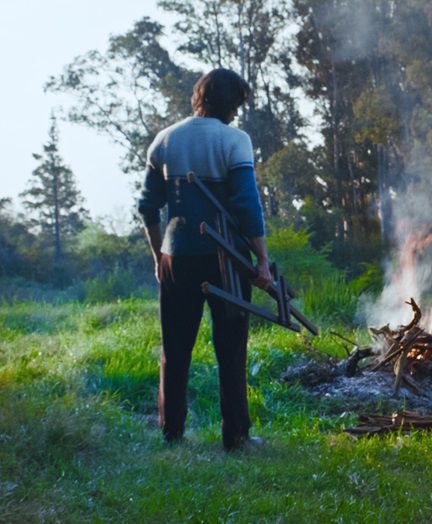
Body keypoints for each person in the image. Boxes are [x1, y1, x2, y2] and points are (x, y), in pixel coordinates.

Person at [137, 68, 273, 451]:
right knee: (230, 349)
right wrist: (262, 261)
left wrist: (156, 255)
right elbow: (248, 207)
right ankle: (237, 437)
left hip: (175, 258)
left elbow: (147, 207)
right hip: (225, 262)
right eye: (237, 104)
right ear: (230, 103)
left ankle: (171, 432)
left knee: (175, 348)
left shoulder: (165, 140)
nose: (236, 113)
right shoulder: (235, 141)